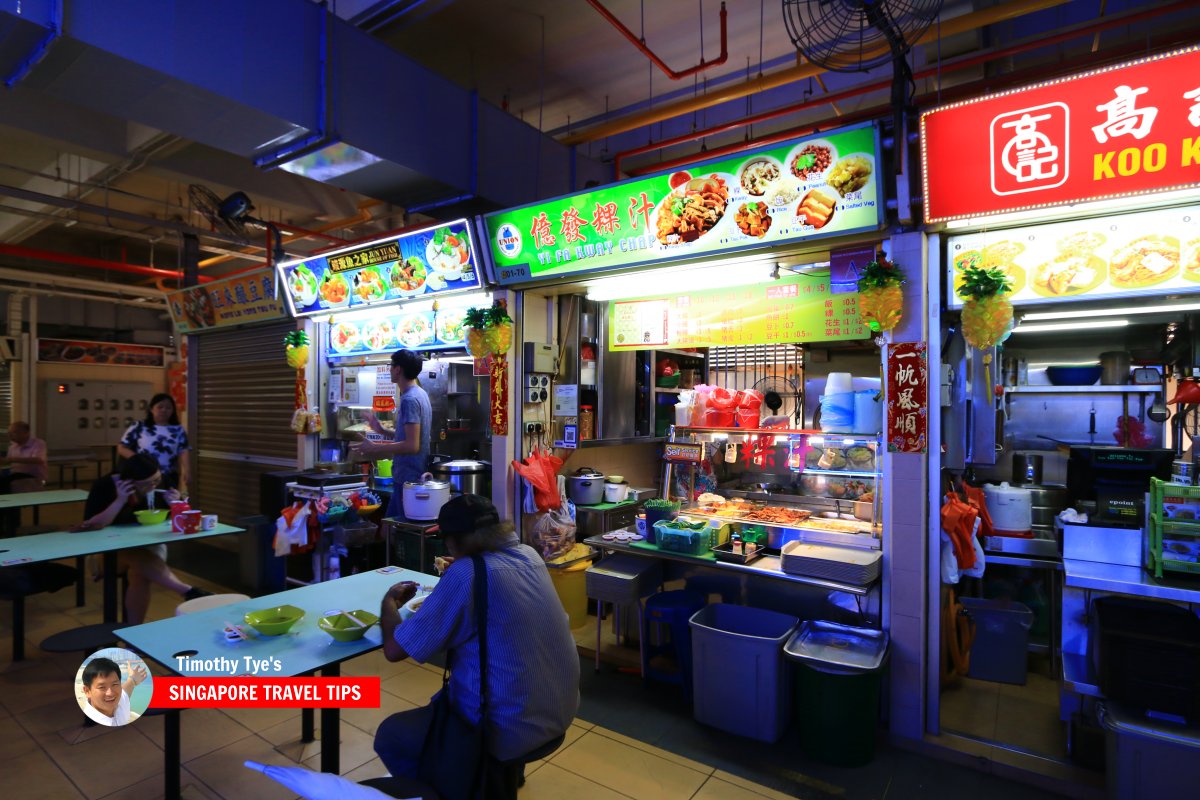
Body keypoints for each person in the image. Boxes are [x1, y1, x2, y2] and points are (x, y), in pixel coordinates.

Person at [373, 494, 580, 779]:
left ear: (455, 541)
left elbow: (395, 650)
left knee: (391, 736)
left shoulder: (465, 574)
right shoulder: (530, 556)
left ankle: (449, 790)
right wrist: (461, 566)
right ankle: (501, 781)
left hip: (508, 727)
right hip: (560, 711)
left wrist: (388, 603)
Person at [71, 452, 209, 623]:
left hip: (149, 544)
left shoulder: (162, 483)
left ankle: (133, 637)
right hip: (108, 552)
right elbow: (92, 525)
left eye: (156, 480)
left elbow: (177, 519)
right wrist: (120, 500)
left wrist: (176, 503)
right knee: (136, 557)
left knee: (140, 574)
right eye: (146, 484)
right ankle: (187, 591)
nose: (153, 486)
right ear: (129, 481)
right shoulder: (105, 486)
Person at [350, 349, 431, 519]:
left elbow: (412, 445)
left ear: (398, 369)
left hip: (409, 480)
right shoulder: (419, 394)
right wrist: (381, 430)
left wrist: (375, 448)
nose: (389, 369)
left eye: (391, 365)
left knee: (401, 533)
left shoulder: (410, 399)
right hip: (407, 477)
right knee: (391, 529)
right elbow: (408, 437)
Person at [117, 393, 190, 493]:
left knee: (167, 504)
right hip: (144, 476)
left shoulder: (178, 429)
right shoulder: (139, 426)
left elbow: (183, 450)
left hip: (168, 476)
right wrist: (138, 461)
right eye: (160, 407)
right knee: (145, 505)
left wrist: (187, 471)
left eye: (168, 408)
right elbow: (121, 447)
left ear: (173, 411)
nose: (164, 410)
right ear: (151, 409)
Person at [0, 421, 48, 533]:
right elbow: (8, 464)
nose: (11, 435)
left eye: (14, 433)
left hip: (33, 477)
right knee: (5, 485)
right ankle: (6, 523)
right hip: (15, 476)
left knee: (6, 485)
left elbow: (39, 460)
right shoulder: (12, 447)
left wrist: (12, 460)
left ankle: (11, 525)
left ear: (26, 432)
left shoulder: (38, 443)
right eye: (10, 433)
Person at [80, 655, 146, 726]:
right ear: (87, 691)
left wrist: (133, 679)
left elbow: (126, 689)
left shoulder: (120, 701)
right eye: (102, 687)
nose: (110, 693)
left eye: (114, 684)